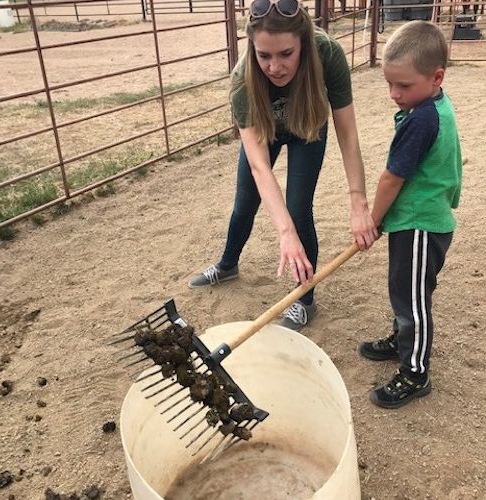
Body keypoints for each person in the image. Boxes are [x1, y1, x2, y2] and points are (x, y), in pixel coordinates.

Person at [188, 0, 377, 330]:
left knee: (298, 207)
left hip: (309, 126)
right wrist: (284, 233)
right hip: (266, 129)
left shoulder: (327, 53)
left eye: (286, 54)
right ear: (252, 48)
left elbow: (347, 132)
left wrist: (358, 201)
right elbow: (260, 167)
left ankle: (305, 301)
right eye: (264, 55)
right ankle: (228, 264)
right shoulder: (242, 82)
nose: (274, 67)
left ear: (303, 42)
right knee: (245, 203)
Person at [359, 21, 462, 409]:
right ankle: (401, 340)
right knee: (407, 291)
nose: (394, 94)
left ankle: (415, 372)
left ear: (437, 77)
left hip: (419, 224)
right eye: (389, 84)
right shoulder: (433, 103)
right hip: (415, 221)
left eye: (403, 86)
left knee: (412, 298)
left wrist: (372, 219)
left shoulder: (421, 119)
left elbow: (392, 178)